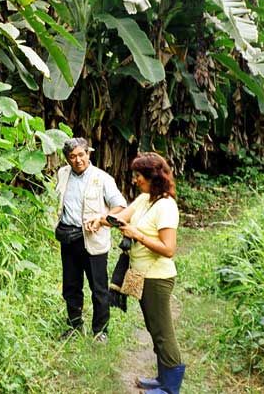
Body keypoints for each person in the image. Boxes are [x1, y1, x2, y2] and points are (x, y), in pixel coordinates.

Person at [86, 152, 186, 393]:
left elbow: (169, 249)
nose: (135, 179)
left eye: (138, 175)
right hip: (142, 275)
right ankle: (162, 379)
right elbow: (121, 218)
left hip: (158, 278)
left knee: (162, 330)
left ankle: (171, 387)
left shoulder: (166, 207)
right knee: (154, 327)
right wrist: (101, 220)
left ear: (153, 176)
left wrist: (138, 235)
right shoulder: (144, 199)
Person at [53, 137, 126, 342]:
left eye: (81, 155)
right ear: (67, 158)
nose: (77, 160)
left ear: (89, 154)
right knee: (71, 286)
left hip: (93, 239)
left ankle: (100, 331)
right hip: (68, 238)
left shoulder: (102, 178)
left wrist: (101, 220)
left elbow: (120, 206)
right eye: (72, 156)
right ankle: (75, 326)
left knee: (99, 288)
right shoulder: (62, 174)